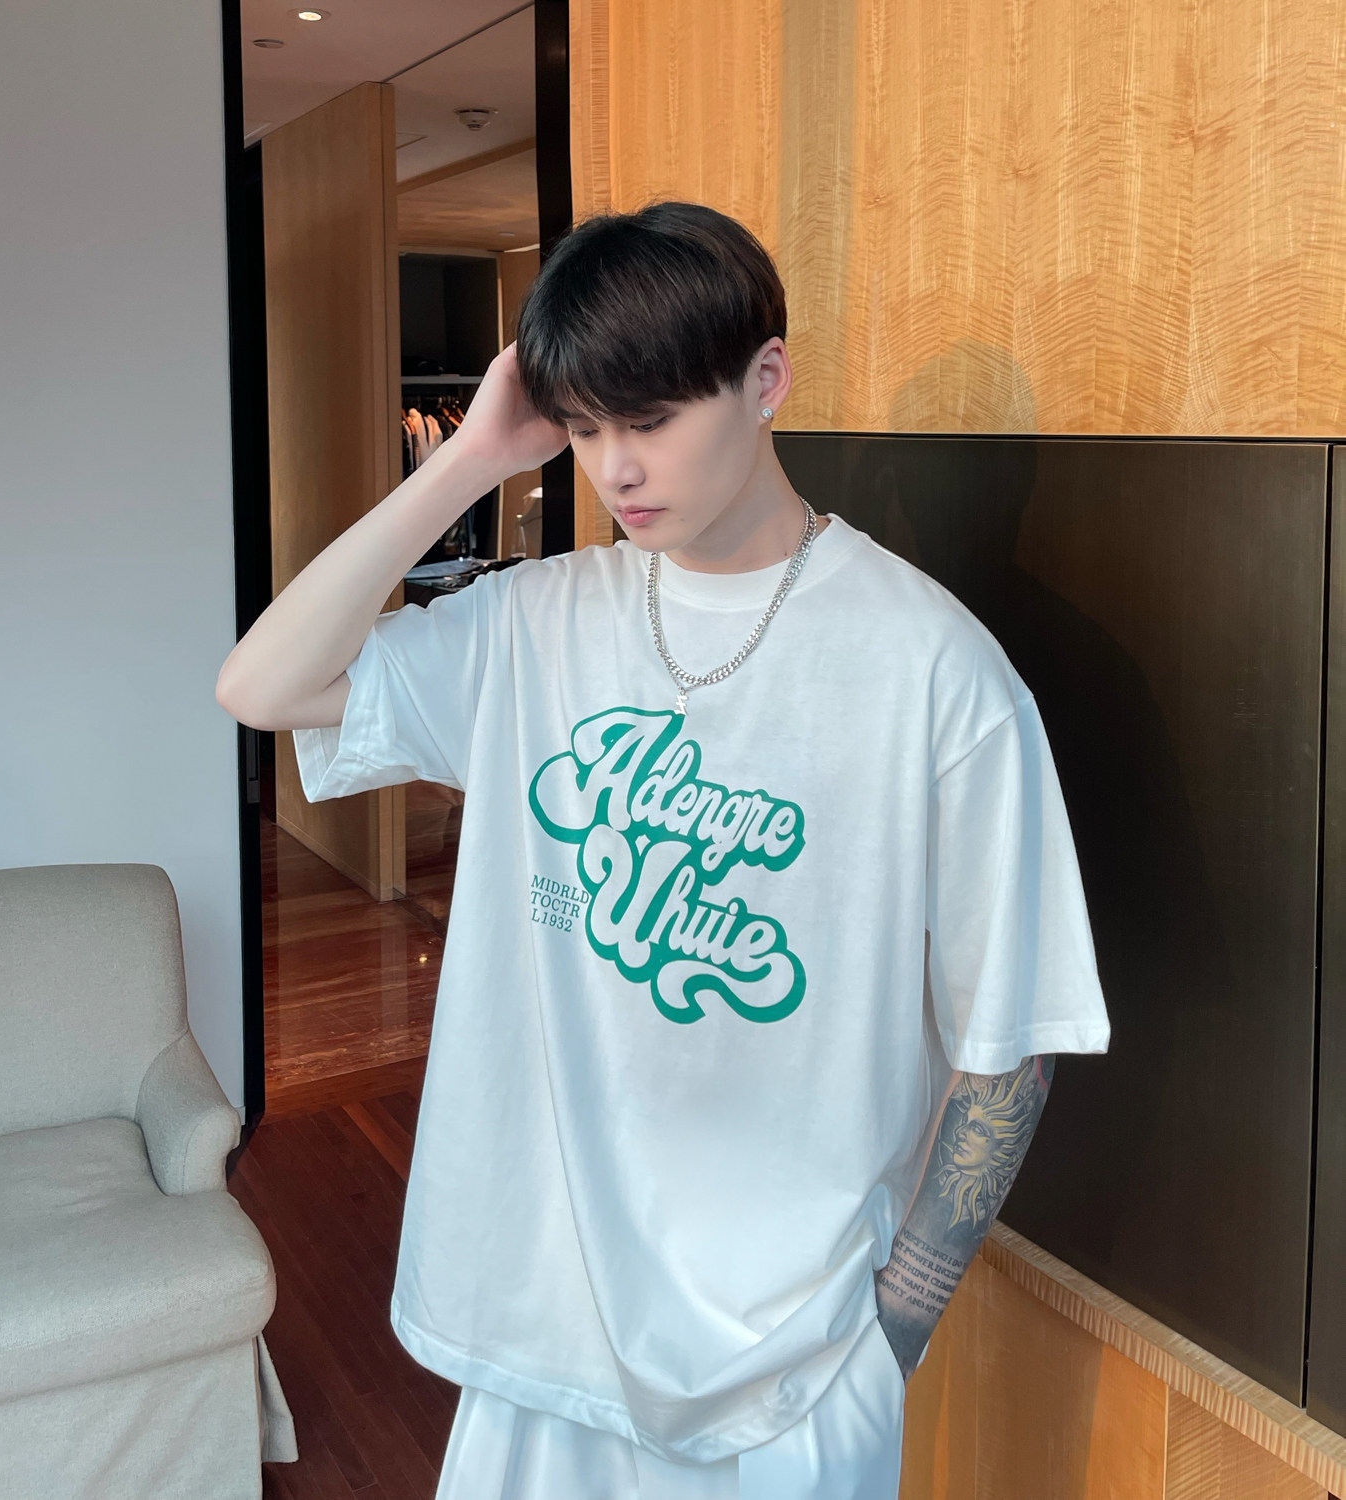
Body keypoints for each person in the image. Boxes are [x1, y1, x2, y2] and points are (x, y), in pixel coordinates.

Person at [216, 201, 1111, 1500]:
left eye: (649, 421)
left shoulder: (933, 671)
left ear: (767, 380)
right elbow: (263, 686)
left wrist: (894, 1332)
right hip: (542, 1331)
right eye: (584, 429)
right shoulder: (537, 624)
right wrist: (472, 460)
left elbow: (1011, 1043)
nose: (615, 469)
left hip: (793, 1368)